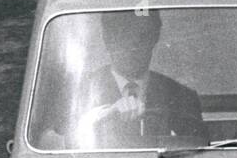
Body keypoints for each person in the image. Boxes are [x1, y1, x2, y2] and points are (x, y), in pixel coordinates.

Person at [70, 10, 206, 149]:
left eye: (142, 37)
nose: (133, 46)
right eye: (123, 35)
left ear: (154, 38)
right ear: (107, 39)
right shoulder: (79, 94)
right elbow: (65, 147)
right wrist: (104, 115)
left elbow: (199, 156)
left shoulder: (181, 97)